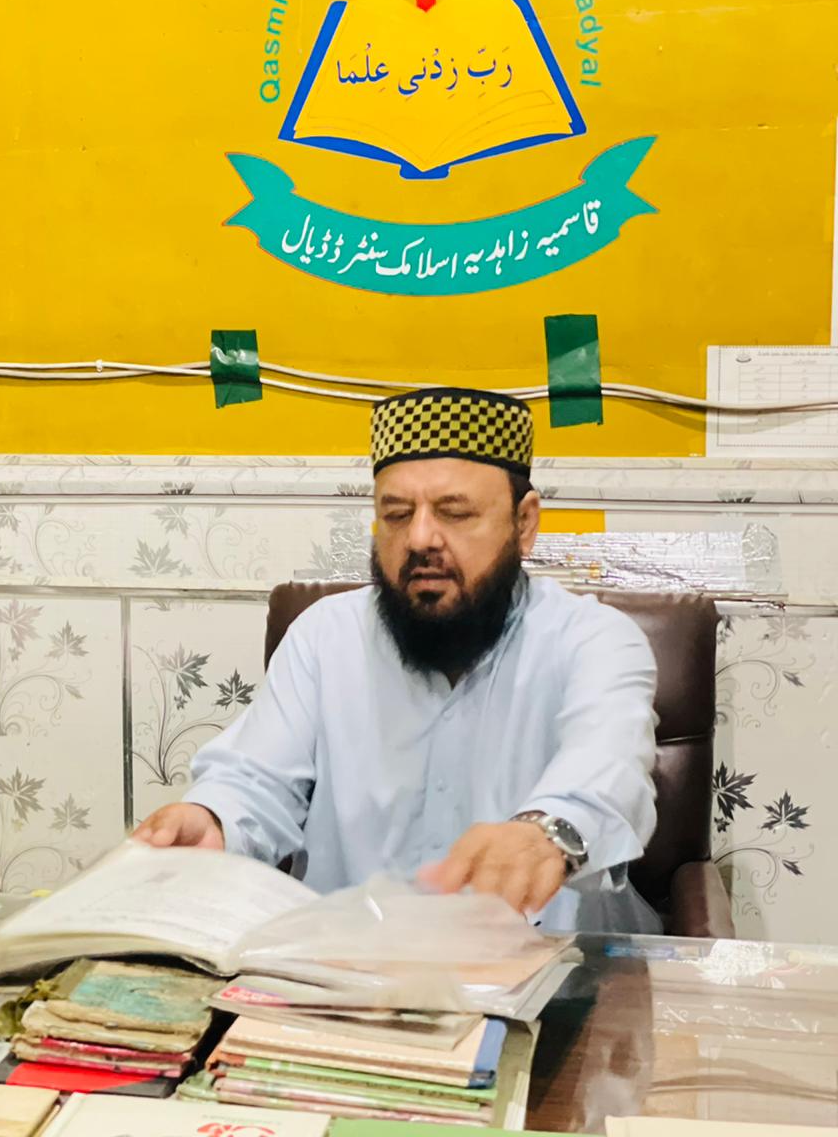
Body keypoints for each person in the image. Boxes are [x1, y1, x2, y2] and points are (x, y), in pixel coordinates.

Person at [134, 387, 661, 933]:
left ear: (524, 523)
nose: (420, 538)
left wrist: (546, 833)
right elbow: (256, 780)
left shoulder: (594, 640)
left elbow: (609, 767)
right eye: (396, 514)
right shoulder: (324, 636)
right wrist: (213, 818)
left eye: (455, 513)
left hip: (549, 965)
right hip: (346, 964)